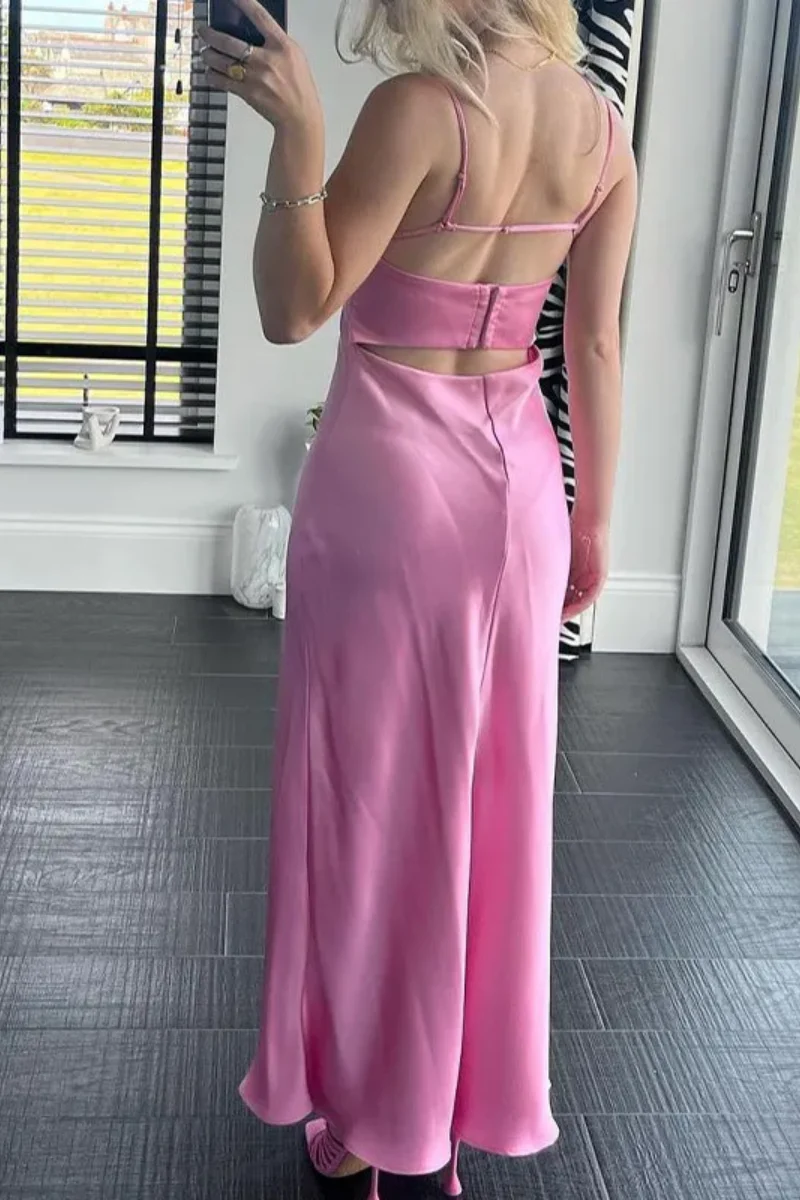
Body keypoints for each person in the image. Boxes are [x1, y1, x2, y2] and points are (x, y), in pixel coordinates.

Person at [200, 1, 637, 1196]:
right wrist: (592, 518)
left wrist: (298, 135)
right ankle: (442, 1102)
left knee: (367, 804)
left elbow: (294, 309)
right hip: (520, 493)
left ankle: (365, 1117)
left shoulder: (418, 109)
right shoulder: (601, 131)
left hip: (389, 487)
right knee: (487, 805)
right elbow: (594, 344)